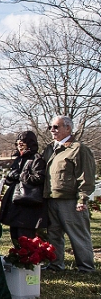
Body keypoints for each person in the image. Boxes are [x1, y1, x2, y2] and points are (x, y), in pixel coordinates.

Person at [42, 116, 96, 272]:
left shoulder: (78, 148)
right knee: (54, 235)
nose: (52, 130)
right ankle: (55, 264)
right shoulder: (50, 148)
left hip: (71, 201)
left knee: (78, 235)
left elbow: (86, 176)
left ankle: (86, 267)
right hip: (51, 198)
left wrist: (82, 199)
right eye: (51, 127)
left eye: (56, 127)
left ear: (68, 128)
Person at [0, 131, 47, 243]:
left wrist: (20, 176)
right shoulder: (18, 159)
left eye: (22, 143)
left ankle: (27, 259)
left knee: (25, 236)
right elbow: (11, 179)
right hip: (15, 203)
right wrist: (10, 177)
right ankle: (18, 257)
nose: (19, 146)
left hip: (27, 204)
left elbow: (39, 178)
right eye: (18, 143)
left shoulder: (36, 159)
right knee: (15, 234)